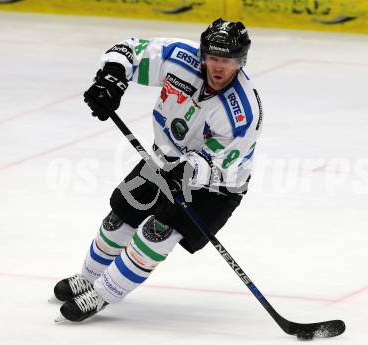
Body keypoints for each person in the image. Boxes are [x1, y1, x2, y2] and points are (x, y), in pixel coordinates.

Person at [53, 18, 264, 322]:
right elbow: (129, 50)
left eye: (228, 61)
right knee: (118, 218)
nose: (219, 67)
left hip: (215, 186)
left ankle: (101, 294)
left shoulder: (243, 111)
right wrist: (111, 80)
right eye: (214, 58)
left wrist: (188, 171)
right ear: (203, 55)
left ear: (241, 61)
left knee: (156, 233)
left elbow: (223, 164)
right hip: (164, 160)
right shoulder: (182, 58)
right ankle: (88, 278)